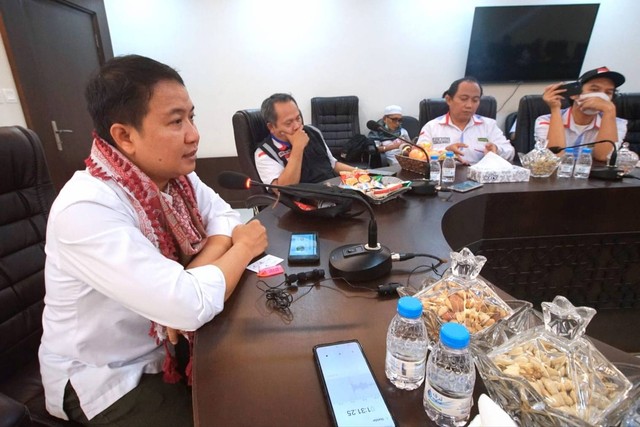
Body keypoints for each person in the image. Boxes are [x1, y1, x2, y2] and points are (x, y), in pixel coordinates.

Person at [39, 55, 268, 426]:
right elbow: (187, 305)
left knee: (261, 382)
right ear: (124, 136)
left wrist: (197, 267)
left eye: (192, 117)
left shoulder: (174, 178)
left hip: (169, 347)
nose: (194, 134)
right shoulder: (86, 206)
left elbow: (224, 216)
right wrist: (241, 247)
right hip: (107, 376)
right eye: (176, 121)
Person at [254, 93, 356, 186]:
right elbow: (285, 190)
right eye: (288, 123)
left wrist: (361, 172)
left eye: (298, 118)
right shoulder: (264, 154)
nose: (297, 126)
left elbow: (333, 164)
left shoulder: (313, 132)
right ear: (271, 127)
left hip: (335, 188)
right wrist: (298, 147)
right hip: (308, 201)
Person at [535, 66, 627, 162]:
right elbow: (555, 156)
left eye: (608, 92)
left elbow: (603, 157)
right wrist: (555, 108)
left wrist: (609, 111)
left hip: (592, 175)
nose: (601, 97)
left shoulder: (617, 124)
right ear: (574, 94)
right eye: (594, 90)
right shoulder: (545, 120)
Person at [417, 77, 515, 165]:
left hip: (481, 180)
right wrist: (445, 153)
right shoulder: (432, 126)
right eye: (464, 99)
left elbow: (510, 152)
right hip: (443, 177)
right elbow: (417, 156)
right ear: (448, 100)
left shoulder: (488, 125)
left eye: (475, 100)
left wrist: (497, 150)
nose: (469, 105)